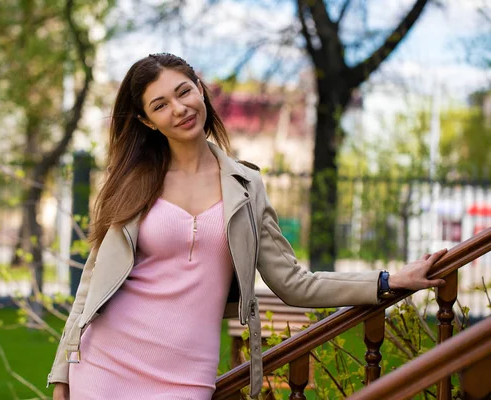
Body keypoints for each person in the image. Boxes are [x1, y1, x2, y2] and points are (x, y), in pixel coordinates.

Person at [47, 53, 447, 400]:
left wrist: (386, 281)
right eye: (160, 104)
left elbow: (292, 282)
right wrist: (63, 369)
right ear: (147, 121)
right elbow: (92, 284)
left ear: (200, 89)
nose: (180, 108)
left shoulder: (245, 186)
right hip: (106, 364)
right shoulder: (131, 182)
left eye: (184, 91)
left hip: (185, 377)